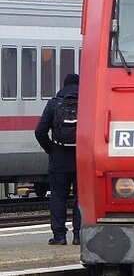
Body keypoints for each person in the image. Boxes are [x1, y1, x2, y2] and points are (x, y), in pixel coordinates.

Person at [34, 72, 81, 245]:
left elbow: (40, 132)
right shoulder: (88, 103)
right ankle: (79, 235)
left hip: (59, 160)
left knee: (58, 197)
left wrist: (52, 149)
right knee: (81, 198)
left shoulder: (54, 104)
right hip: (81, 161)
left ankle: (59, 236)